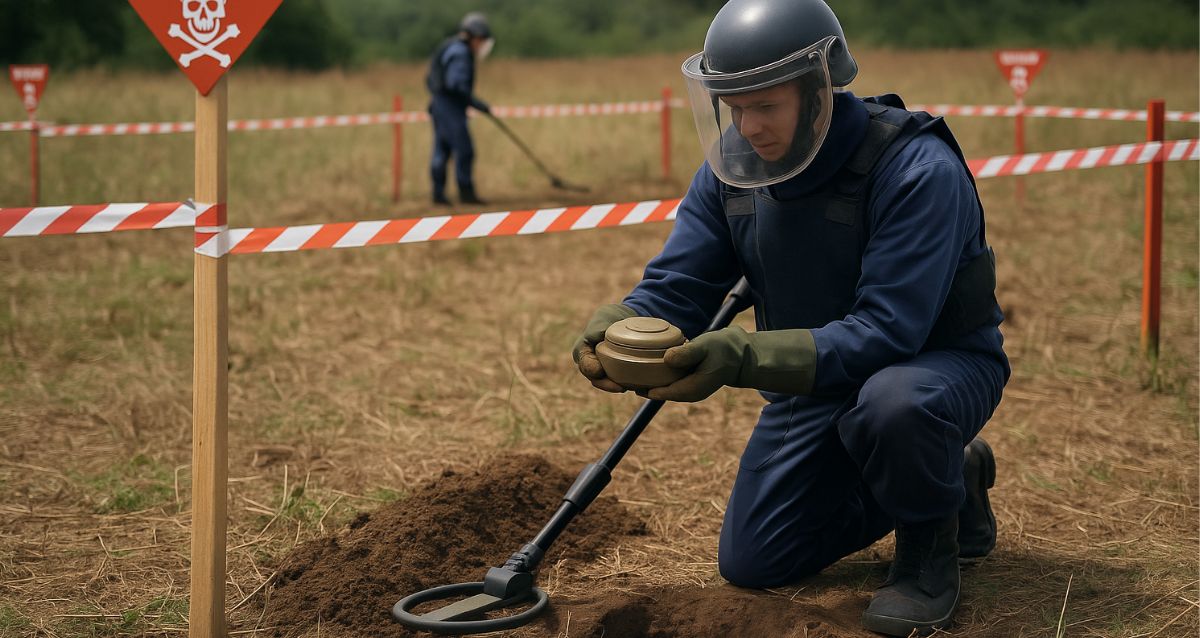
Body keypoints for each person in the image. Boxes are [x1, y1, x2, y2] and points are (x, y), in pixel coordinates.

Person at [571, 0, 1008, 635]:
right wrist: (623, 322)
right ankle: (950, 470)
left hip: (931, 369)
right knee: (756, 560)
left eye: (765, 106)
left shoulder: (916, 169)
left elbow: (889, 332)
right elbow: (682, 282)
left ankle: (926, 552)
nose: (746, 127)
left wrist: (742, 356)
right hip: (815, 378)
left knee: (895, 407)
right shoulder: (735, 170)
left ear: (821, 86)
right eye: (733, 106)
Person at [425, 12, 495, 206]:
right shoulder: (461, 54)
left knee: (442, 150)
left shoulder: (451, 47)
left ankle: (438, 194)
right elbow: (456, 85)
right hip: (450, 108)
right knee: (464, 150)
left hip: (439, 105)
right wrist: (476, 103)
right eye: (481, 40)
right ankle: (466, 194)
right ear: (474, 37)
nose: (481, 45)